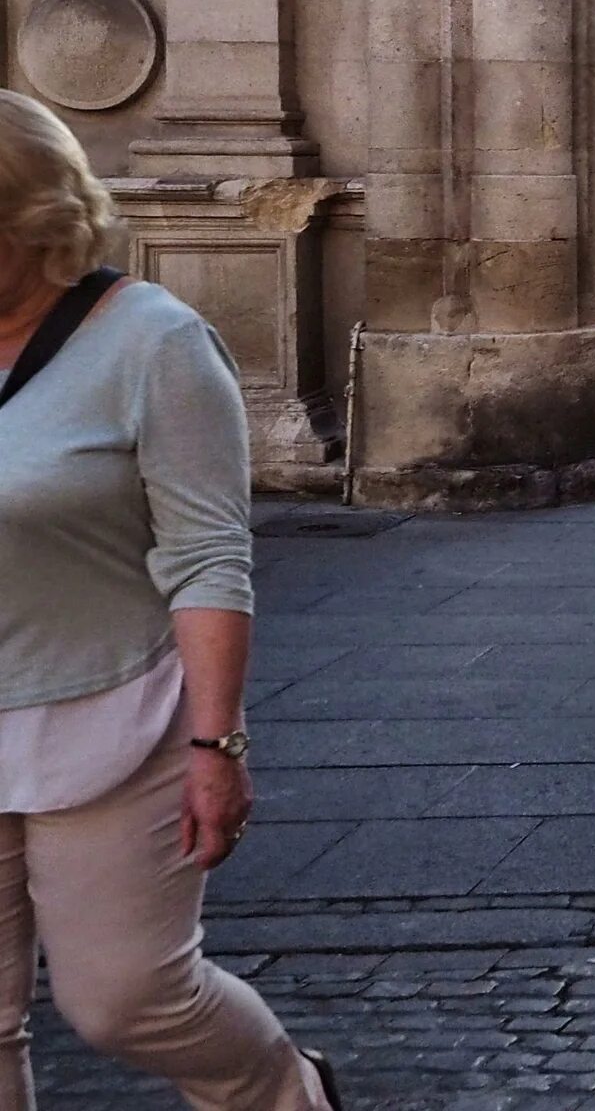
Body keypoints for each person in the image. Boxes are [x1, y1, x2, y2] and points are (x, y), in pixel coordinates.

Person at [0, 90, 343, 1111]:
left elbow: (207, 556)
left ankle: (284, 1090)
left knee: (126, 997)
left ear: (33, 220)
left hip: (111, 712)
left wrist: (217, 744)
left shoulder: (153, 341)